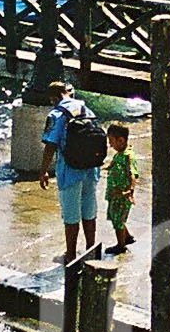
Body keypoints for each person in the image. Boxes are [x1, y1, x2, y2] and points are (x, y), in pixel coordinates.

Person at [39, 79, 103, 264]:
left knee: (71, 213)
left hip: (70, 169)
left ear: (53, 98)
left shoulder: (56, 114)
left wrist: (43, 171)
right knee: (89, 209)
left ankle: (71, 254)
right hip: (91, 167)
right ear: (67, 92)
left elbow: (51, 145)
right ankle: (91, 248)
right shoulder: (86, 108)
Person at [104, 122, 137, 252]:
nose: (110, 144)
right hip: (114, 193)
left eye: (111, 141)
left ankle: (120, 245)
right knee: (115, 217)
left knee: (117, 220)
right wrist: (109, 167)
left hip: (122, 195)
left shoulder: (128, 156)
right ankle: (127, 237)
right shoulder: (119, 153)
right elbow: (115, 163)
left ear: (121, 140)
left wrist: (130, 190)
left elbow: (132, 174)